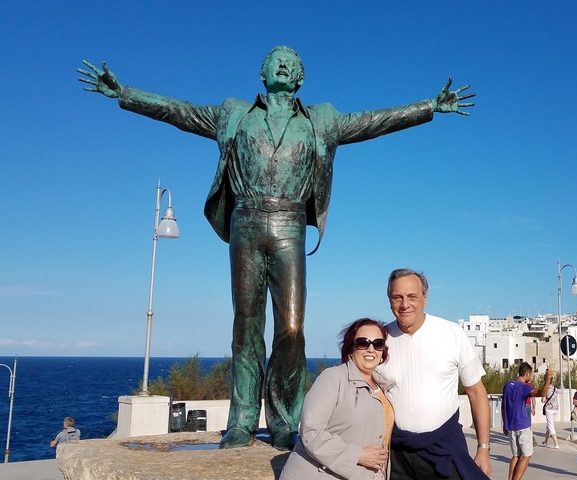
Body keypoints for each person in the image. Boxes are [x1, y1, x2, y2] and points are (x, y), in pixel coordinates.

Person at [77, 48, 474, 450]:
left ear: (300, 78)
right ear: (263, 73)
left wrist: (429, 106)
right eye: (275, 59)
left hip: (289, 223)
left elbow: (374, 122)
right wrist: (125, 93)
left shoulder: (321, 120)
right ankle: (242, 420)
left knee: (292, 326)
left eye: (292, 61)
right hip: (246, 219)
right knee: (246, 324)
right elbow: (179, 112)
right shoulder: (234, 113)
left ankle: (284, 419)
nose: (283, 64)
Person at [376, 268, 491, 479]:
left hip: (443, 450)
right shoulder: (379, 340)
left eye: (412, 296)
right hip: (395, 455)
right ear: (389, 300)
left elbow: (476, 392)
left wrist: (483, 448)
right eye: (397, 297)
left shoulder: (452, 333)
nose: (404, 304)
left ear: (425, 298)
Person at [281, 318, 392, 479]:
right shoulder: (333, 378)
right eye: (363, 343)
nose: (370, 349)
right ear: (350, 349)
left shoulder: (384, 387)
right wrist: (358, 455)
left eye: (377, 344)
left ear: (383, 352)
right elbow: (312, 431)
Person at [502, 363, 552, 480]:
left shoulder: (507, 385)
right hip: (523, 425)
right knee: (527, 455)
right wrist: (548, 377)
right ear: (527, 374)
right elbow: (542, 393)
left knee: (516, 455)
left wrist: (505, 423)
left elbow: (504, 405)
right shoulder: (525, 387)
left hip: (511, 426)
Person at [541, 382, 560, 449]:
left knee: (551, 425)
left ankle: (556, 444)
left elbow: (543, 400)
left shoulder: (545, 388)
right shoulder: (555, 388)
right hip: (556, 408)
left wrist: (545, 398)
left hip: (549, 408)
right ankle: (545, 441)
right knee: (549, 425)